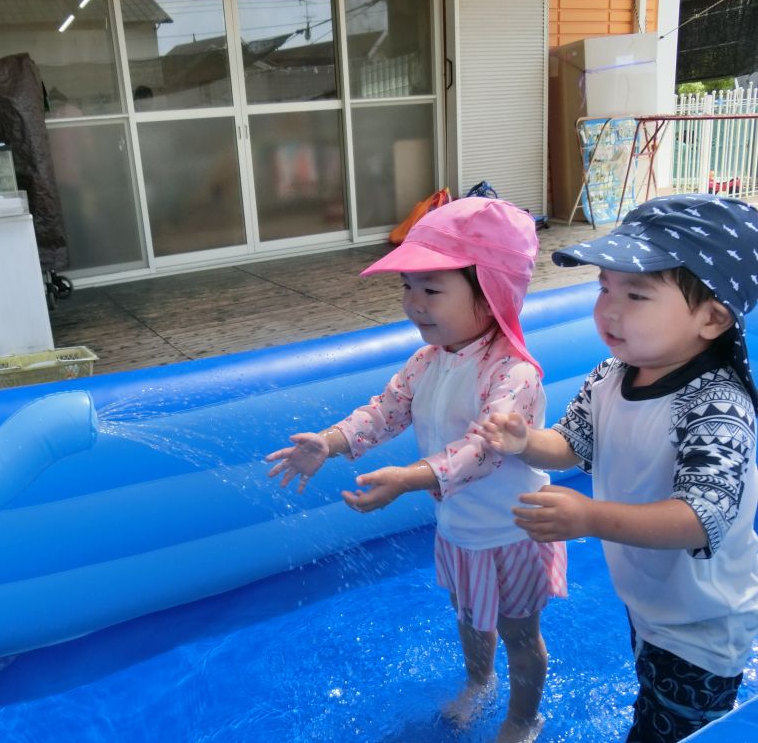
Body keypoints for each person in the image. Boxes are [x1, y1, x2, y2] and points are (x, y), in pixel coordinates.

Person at [266, 197, 566, 743]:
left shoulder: (514, 374)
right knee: (470, 618)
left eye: (432, 289)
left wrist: (408, 479)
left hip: (512, 531)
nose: (414, 303)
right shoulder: (428, 360)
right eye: (407, 287)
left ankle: (524, 718)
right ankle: (479, 681)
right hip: (459, 529)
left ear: (491, 292)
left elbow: (484, 450)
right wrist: (330, 443)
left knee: (521, 634)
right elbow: (385, 411)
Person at [479, 194, 758, 742]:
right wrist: (524, 442)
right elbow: (572, 443)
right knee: (650, 700)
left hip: (703, 626)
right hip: (652, 603)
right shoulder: (613, 372)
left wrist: (590, 517)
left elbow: (701, 518)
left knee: (669, 732)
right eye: (604, 286)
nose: (608, 308)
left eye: (636, 294)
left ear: (712, 317)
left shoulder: (716, 408)